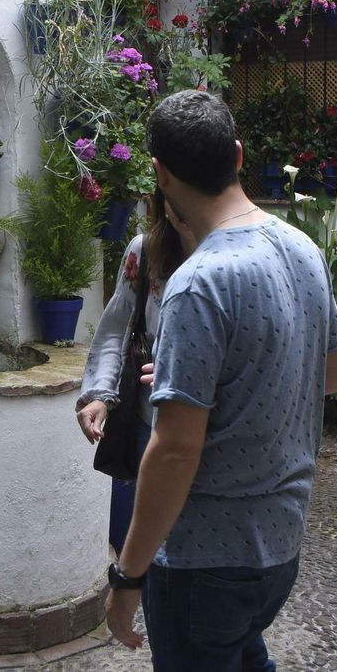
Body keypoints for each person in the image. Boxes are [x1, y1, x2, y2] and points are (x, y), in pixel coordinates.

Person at [103, 90, 337, 671]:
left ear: (160, 174)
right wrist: (210, 371)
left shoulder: (199, 281)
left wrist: (127, 577)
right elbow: (334, 375)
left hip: (202, 561)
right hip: (279, 546)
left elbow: (174, 451)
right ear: (237, 156)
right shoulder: (302, 248)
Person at [76, 191, 195, 555]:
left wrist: (188, 377)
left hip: (211, 438)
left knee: (186, 553)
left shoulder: (242, 258)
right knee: (139, 550)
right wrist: (100, 393)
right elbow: (116, 326)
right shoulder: (145, 252)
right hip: (146, 428)